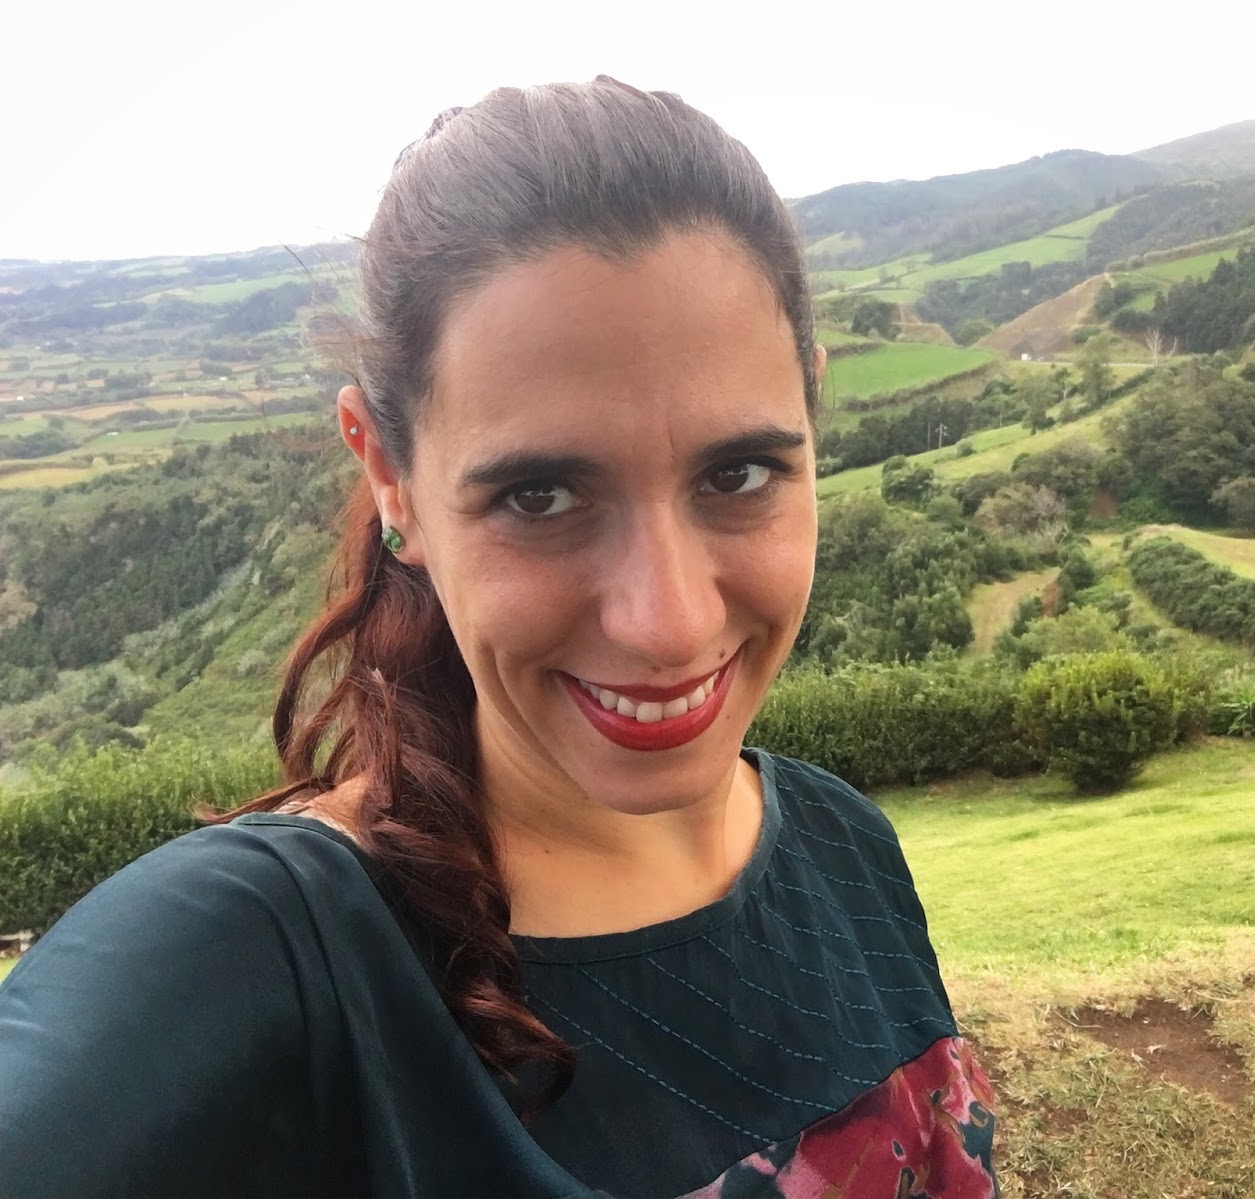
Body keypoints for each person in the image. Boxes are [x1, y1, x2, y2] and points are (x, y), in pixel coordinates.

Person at [0, 79, 997, 1198]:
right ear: (390, 474)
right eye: (539, 496)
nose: (667, 620)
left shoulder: (846, 842)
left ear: (812, 414)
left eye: (739, 473)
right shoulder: (270, 953)